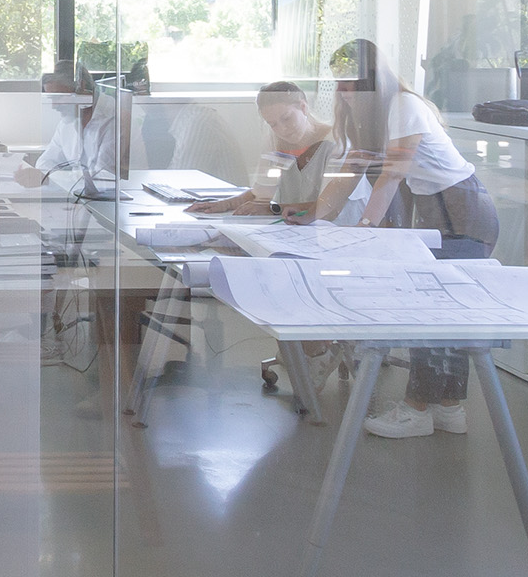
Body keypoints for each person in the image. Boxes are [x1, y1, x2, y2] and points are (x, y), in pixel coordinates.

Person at [306, 39, 502, 440]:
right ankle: (448, 408)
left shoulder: (404, 107)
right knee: (438, 308)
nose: (341, 92)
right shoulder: (370, 119)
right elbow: (346, 181)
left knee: (431, 310)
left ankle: (417, 410)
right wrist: (307, 218)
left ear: (371, 79)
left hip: (465, 212)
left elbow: (392, 176)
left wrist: (362, 232)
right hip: (437, 211)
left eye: (348, 83)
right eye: (337, 84)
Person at [187, 81, 365, 223]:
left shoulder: (336, 144)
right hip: (300, 231)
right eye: (272, 124)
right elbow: (262, 193)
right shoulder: (275, 141)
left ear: (303, 107)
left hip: (340, 231)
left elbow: (329, 208)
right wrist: (224, 205)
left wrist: (273, 208)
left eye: (287, 118)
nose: (282, 129)